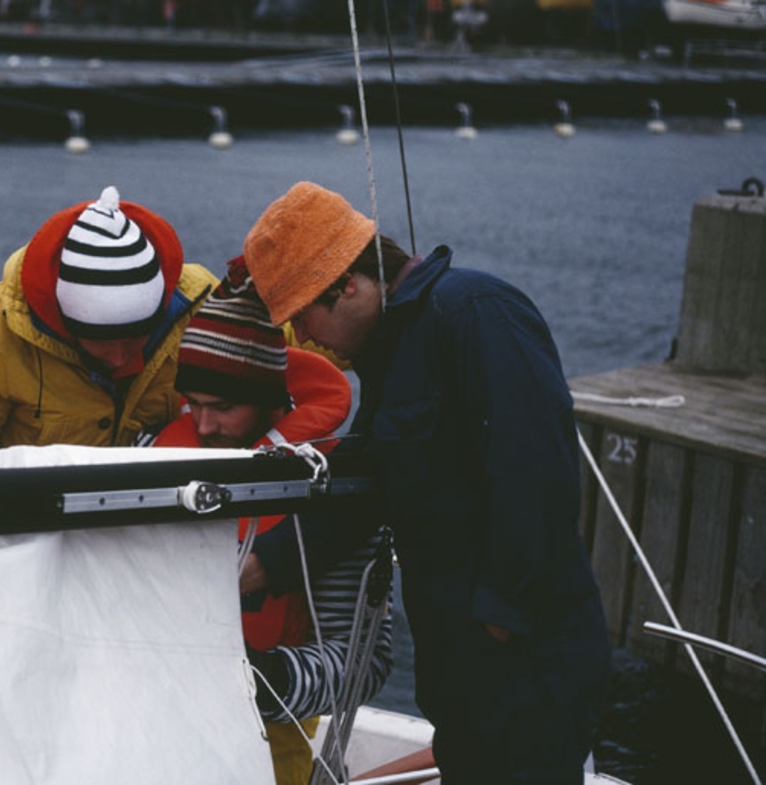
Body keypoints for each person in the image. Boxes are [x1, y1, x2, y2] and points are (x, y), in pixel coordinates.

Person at [240, 181, 611, 783]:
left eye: (302, 316)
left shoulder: (475, 312)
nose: (303, 339)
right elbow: (365, 485)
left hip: (522, 664)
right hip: (463, 669)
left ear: (347, 284)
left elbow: (537, 475)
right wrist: (264, 564)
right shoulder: (391, 353)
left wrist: (497, 622)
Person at [145, 259, 393, 785]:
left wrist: (262, 681)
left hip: (268, 744)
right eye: (194, 405)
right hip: (154, 729)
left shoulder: (331, 497)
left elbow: (362, 665)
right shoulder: (146, 461)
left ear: (270, 400)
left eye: (225, 406)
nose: (205, 424)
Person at [0, 185, 218, 454]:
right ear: (65, 323)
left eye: (137, 337)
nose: (120, 358)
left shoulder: (207, 309)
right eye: (102, 342)